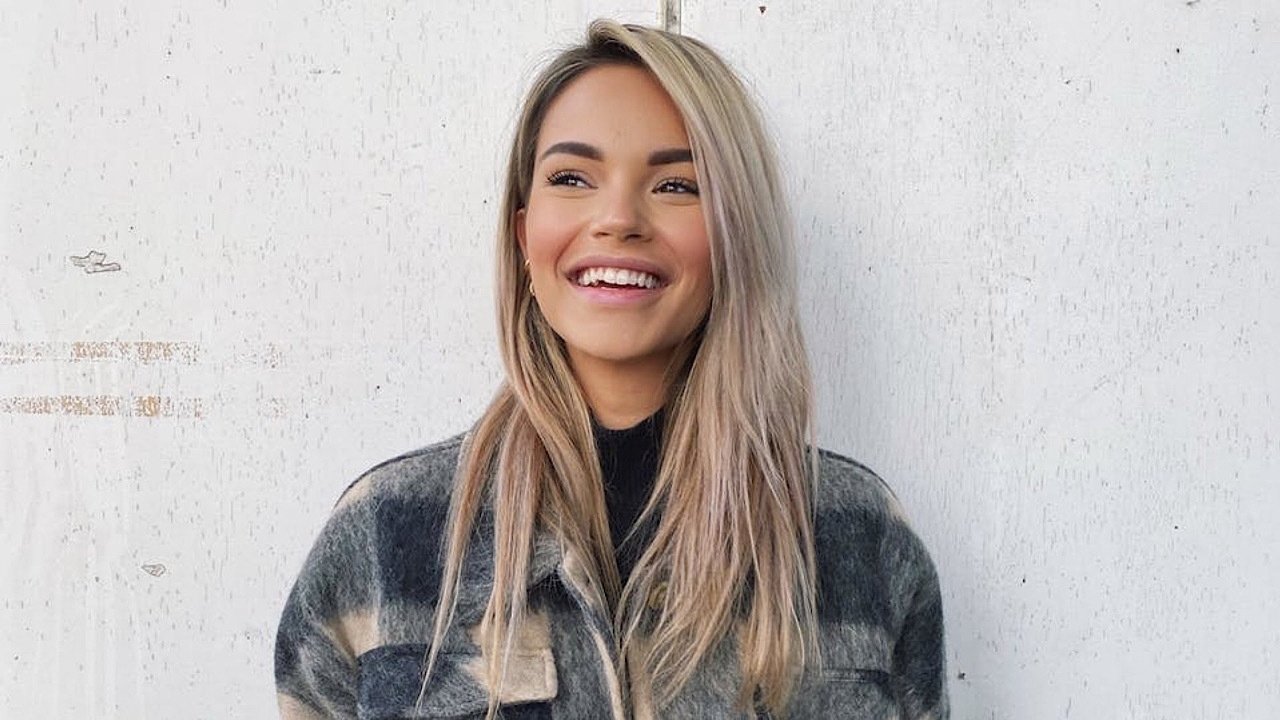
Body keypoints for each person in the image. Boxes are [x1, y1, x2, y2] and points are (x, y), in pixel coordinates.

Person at [274, 20, 948, 720]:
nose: (618, 218)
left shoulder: (860, 537)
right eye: (572, 178)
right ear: (523, 234)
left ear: (735, 236)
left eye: (677, 185)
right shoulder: (382, 535)